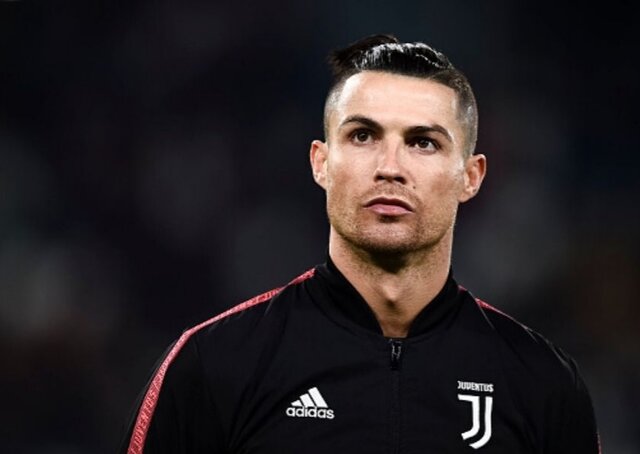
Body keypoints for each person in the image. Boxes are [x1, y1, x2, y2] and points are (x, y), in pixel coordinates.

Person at [119, 34, 600, 453]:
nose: (390, 168)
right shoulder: (214, 364)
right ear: (321, 163)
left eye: (423, 142)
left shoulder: (542, 385)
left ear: (470, 177)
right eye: (364, 135)